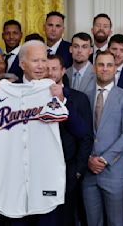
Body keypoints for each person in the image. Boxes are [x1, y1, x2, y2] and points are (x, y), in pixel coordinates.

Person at [0, 40, 68, 226]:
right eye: (36, 61)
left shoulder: (54, 91)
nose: (41, 66)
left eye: (44, 60)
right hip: (12, 183)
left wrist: (60, 99)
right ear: (22, 64)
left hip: (45, 178)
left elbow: (79, 130)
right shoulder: (0, 92)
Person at [82, 51, 123, 226]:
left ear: (115, 69)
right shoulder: (84, 96)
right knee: (93, 222)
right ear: (94, 68)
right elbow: (81, 134)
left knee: (117, 222)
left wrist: (104, 159)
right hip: (88, 172)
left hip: (115, 172)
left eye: (109, 65)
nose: (105, 69)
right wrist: (88, 159)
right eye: (101, 64)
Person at [47, 55, 93, 226]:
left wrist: (78, 171)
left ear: (63, 71)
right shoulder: (34, 98)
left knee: (67, 217)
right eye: (47, 68)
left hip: (69, 169)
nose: (50, 73)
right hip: (43, 171)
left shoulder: (78, 98)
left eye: (54, 68)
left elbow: (86, 136)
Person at [66, 32, 96, 96]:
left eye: (84, 47)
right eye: (76, 46)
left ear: (91, 50)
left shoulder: (97, 74)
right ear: (70, 49)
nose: (79, 51)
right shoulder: (64, 74)